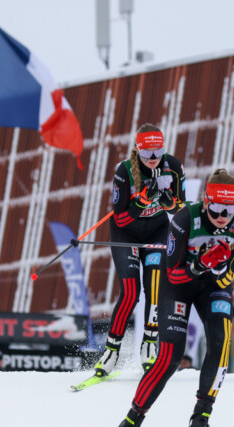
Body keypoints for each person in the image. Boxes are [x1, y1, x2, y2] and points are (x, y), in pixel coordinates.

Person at [107, 168, 234, 427]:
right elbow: (173, 273)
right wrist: (200, 264)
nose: (222, 217)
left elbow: (227, 278)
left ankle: (200, 421)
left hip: (212, 287)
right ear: (206, 202)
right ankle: (131, 422)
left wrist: (218, 268)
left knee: (221, 342)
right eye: (217, 209)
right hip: (179, 285)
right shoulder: (186, 219)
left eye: (229, 210)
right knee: (171, 356)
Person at [94, 124, 185, 378]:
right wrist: (143, 201)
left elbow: (181, 209)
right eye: (147, 153)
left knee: (155, 288)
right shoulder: (124, 171)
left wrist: (169, 203)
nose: (153, 158)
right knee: (131, 293)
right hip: (127, 234)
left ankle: (149, 345)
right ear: (137, 151)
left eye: (158, 152)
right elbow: (121, 218)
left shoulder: (173, 167)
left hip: (156, 232)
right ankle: (111, 351)